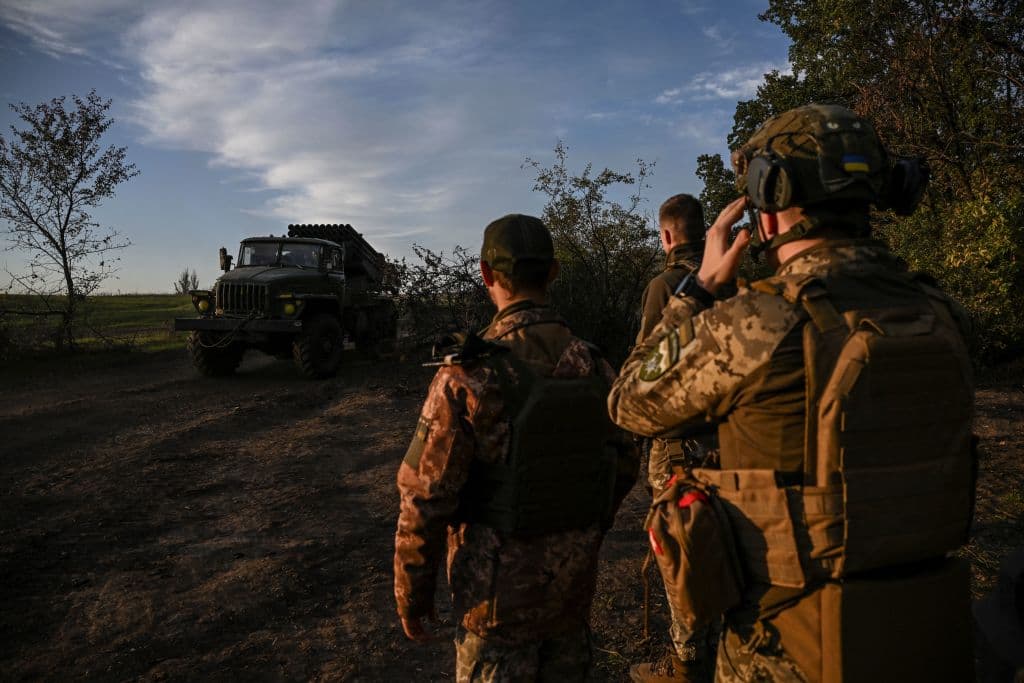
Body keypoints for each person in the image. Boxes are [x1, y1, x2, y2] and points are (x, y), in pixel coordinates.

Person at [609, 104, 976, 681]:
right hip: (928, 636)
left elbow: (629, 403)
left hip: (789, 646)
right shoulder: (941, 313)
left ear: (769, 205)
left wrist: (699, 288)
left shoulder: (758, 321)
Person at [394, 213, 639, 682]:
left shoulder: (467, 374)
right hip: (570, 600)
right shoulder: (593, 363)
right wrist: (581, 531)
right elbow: (625, 463)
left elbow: (425, 495)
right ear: (553, 273)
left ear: (486, 274)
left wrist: (413, 594)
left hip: (494, 611)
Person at [631, 194, 722, 683]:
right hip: (734, 441)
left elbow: (645, 372)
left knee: (680, 557)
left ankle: (686, 667)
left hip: (678, 447)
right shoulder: (733, 278)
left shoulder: (666, 285)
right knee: (727, 549)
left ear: (666, 235)